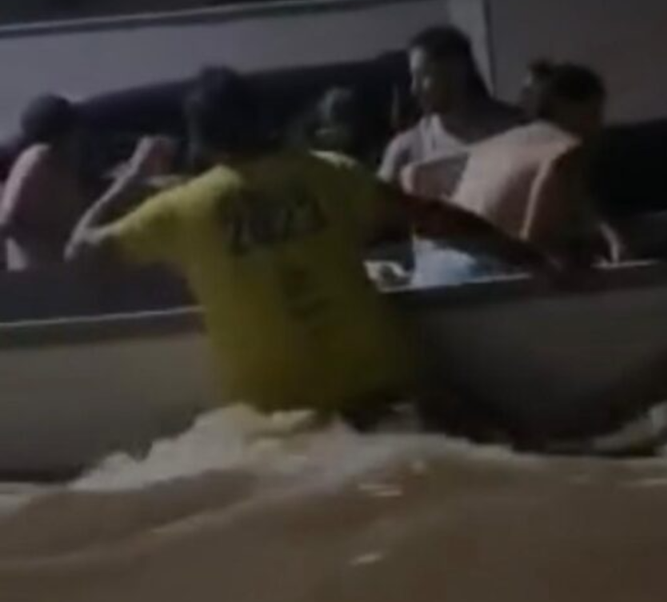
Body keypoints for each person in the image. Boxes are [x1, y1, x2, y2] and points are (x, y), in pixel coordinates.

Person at [66, 68, 556, 422]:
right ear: (263, 119)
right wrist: (527, 254)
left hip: (281, 420)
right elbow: (434, 219)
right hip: (383, 390)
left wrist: (130, 179)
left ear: (202, 138)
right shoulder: (331, 173)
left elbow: (80, 255)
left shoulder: (181, 210)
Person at [409, 64, 626, 287]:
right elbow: (537, 240)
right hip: (484, 278)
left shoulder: (503, 142)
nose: (598, 126)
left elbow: (415, 173)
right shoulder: (566, 149)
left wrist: (608, 233)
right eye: (595, 114)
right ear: (570, 108)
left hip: (434, 270)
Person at [378, 25, 520, 194]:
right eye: (413, 77)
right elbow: (379, 212)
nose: (414, 89)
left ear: (458, 71)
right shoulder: (407, 149)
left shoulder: (513, 130)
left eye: (425, 75)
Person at [0, 95, 95, 271]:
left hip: (59, 272)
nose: (79, 139)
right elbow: (7, 222)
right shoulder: (37, 160)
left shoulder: (63, 166)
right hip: (38, 278)